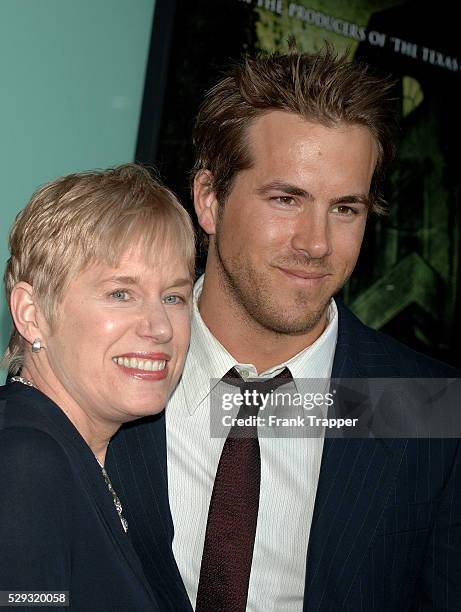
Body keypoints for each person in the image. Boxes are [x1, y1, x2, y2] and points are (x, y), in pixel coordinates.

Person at [107, 49, 461, 611]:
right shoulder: (100, 369)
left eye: (345, 209)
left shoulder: (428, 408)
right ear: (209, 200)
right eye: (285, 199)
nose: (316, 243)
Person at [0, 164, 195, 611]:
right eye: (120, 294)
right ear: (31, 313)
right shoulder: (24, 461)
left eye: (173, 297)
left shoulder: (99, 455)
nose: (160, 327)